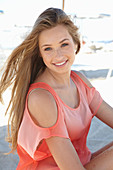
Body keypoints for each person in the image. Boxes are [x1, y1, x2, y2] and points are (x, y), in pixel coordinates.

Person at [0, 7, 113, 170]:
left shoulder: (79, 81)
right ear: (40, 53)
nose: (58, 55)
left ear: (76, 43)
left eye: (64, 44)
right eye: (48, 48)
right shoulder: (41, 98)